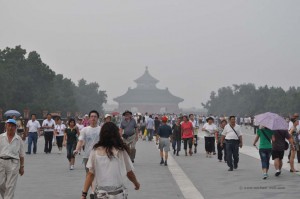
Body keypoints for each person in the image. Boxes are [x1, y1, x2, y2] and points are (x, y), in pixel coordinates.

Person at [81, 122, 140, 199]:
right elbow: (129, 172)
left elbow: (90, 174)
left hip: (100, 194)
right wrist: (136, 183)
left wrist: (84, 194)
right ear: (116, 134)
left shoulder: (95, 151)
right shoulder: (121, 151)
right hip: (118, 193)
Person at [74, 110, 101, 199]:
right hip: (87, 156)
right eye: (92, 116)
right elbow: (81, 141)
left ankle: (93, 191)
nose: (93, 118)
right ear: (89, 118)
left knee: (96, 174)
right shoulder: (85, 130)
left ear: (98, 118)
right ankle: (93, 191)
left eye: (95, 116)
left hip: (99, 156)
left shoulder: (101, 129)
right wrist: (77, 149)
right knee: (89, 174)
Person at [0, 119, 25, 199]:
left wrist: (22, 167)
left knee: (10, 185)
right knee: (1, 184)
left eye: (12, 126)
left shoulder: (18, 139)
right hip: (1, 162)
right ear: (6, 126)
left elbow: (21, 155)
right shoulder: (1, 137)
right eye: (9, 125)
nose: (10, 128)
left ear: (15, 127)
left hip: (13, 163)